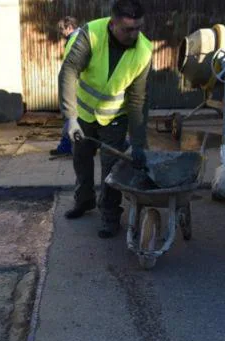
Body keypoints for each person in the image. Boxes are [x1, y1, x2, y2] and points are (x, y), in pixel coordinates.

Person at [58, 0, 152, 238]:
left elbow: (137, 100)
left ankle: (110, 216)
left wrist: (139, 143)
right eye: (128, 29)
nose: (135, 34)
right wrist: (70, 118)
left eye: (138, 28)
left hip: (114, 118)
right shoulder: (90, 34)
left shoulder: (143, 50)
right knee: (81, 160)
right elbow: (68, 71)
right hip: (84, 114)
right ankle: (84, 200)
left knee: (112, 170)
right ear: (112, 24)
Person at [50, 16, 80, 157]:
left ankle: (66, 147)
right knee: (72, 117)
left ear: (69, 27)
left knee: (71, 116)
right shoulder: (75, 39)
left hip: (75, 86)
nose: (61, 32)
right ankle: (66, 146)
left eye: (62, 29)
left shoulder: (76, 40)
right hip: (75, 85)